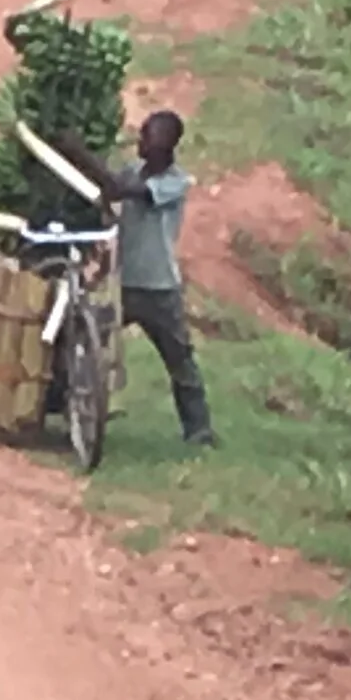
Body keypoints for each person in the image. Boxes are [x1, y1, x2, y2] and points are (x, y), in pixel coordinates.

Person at [60, 110, 216, 448]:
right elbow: (111, 192)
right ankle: (70, 408)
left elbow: (119, 188)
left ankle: (199, 430)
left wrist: (79, 152)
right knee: (87, 339)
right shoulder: (133, 171)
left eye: (147, 136)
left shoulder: (175, 182)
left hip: (160, 289)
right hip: (125, 285)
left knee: (180, 360)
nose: (140, 141)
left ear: (166, 145)